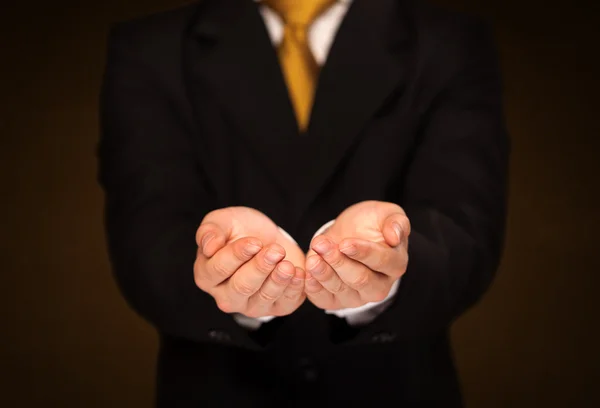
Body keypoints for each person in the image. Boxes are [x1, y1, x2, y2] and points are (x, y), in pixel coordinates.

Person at [98, 0, 509, 406]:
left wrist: (381, 270)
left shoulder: (449, 43)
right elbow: (146, 237)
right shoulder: (150, 49)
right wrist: (229, 275)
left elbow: (465, 227)